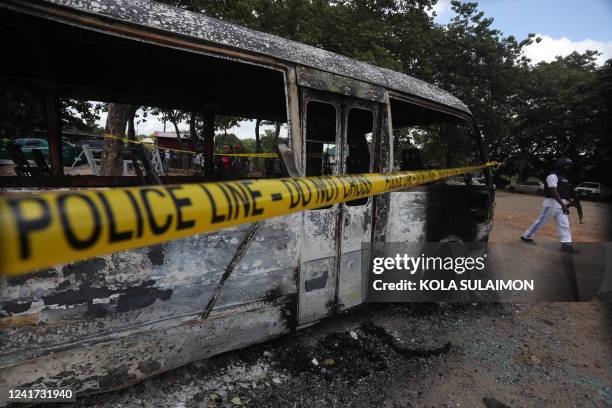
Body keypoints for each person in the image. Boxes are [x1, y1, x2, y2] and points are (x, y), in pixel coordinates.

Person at [520, 158, 578, 253]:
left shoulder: (564, 178)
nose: (569, 167)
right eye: (567, 165)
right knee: (541, 221)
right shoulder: (552, 176)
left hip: (561, 203)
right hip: (552, 203)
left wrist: (570, 200)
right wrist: (563, 205)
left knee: (564, 224)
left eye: (570, 165)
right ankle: (526, 236)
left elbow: (564, 192)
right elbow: (553, 191)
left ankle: (566, 244)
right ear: (560, 165)